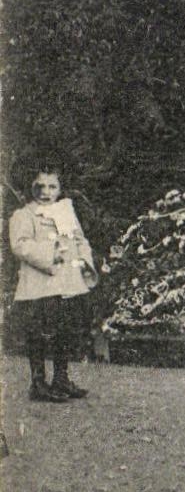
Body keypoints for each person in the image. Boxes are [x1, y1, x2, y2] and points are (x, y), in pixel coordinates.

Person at [9, 164, 97, 403]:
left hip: (68, 283)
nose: (46, 192)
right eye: (40, 186)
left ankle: (61, 378)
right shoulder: (24, 215)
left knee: (65, 331)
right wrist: (51, 253)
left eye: (52, 186)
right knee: (40, 333)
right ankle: (38, 382)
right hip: (41, 285)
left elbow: (80, 239)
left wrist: (83, 260)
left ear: (60, 189)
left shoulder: (66, 213)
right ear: (30, 187)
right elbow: (20, 245)